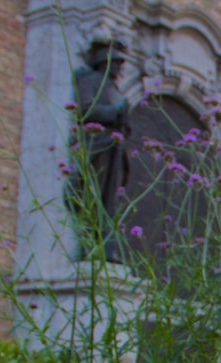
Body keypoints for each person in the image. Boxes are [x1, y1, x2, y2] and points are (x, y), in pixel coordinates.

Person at [70, 38, 130, 262]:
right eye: (115, 62)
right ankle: (89, 246)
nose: (119, 67)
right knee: (93, 197)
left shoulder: (113, 87)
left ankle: (107, 247)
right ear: (103, 62)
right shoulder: (91, 81)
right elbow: (85, 111)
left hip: (114, 148)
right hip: (97, 146)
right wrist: (115, 111)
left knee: (112, 201)